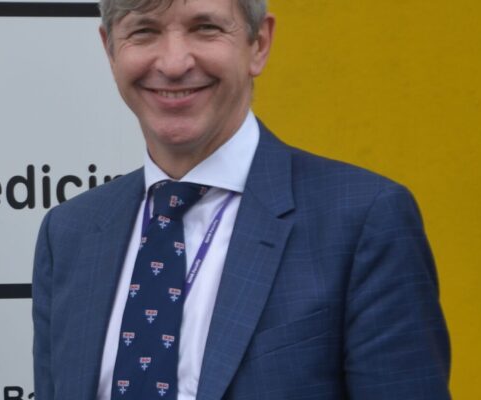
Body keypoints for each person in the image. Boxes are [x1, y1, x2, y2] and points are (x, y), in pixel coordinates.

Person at [31, 1, 450, 399]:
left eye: (205, 28)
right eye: (144, 31)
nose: (174, 63)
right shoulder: (70, 234)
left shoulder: (363, 221)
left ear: (259, 43)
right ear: (110, 50)